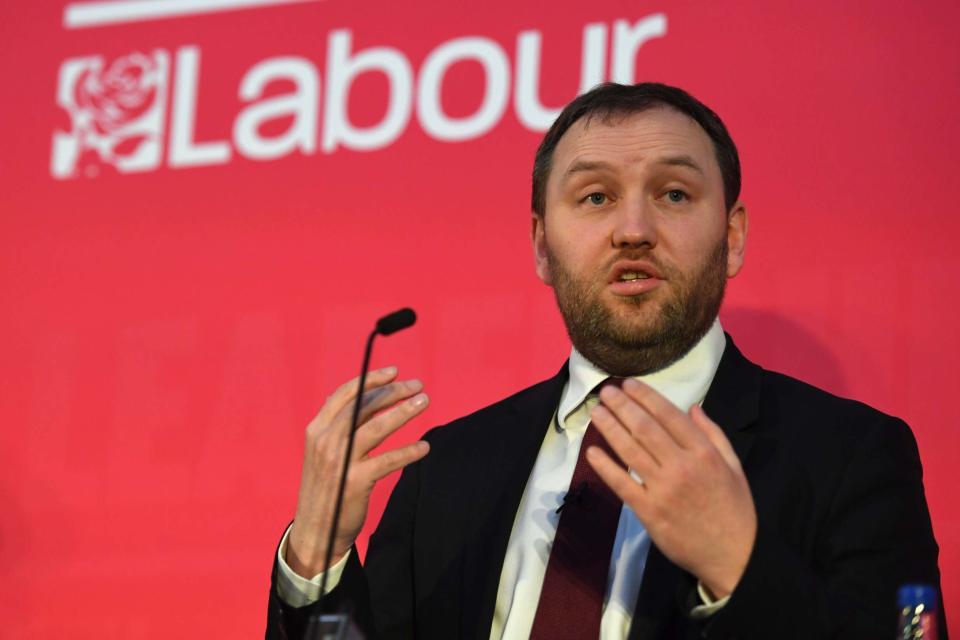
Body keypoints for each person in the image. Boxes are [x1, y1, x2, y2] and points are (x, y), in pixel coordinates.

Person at [264, 82, 945, 639]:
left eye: (674, 194)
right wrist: (316, 560)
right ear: (540, 245)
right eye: (595, 197)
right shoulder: (445, 473)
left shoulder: (851, 456)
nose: (634, 230)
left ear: (732, 237)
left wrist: (741, 567)